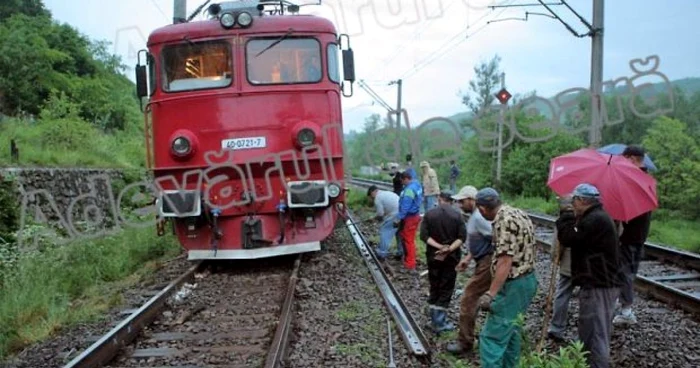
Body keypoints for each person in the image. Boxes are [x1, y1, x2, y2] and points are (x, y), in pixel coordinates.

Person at [555, 183, 623, 368]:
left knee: (596, 334)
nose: (573, 203)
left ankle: (596, 365)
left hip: (599, 284)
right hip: (599, 282)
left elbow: (569, 237)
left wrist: (566, 214)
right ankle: (584, 363)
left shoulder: (595, 219)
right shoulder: (595, 216)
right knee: (589, 330)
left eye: (574, 200)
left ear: (583, 200)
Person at [473, 188, 538, 368]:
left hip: (514, 285)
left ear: (482, 209)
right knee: (511, 332)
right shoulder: (518, 213)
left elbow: (505, 261)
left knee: (491, 338)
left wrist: (490, 294)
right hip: (528, 279)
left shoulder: (504, 221)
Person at [446, 185, 495, 356]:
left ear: (472, 200)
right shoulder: (476, 216)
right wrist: (468, 258)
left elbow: (495, 238)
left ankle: (465, 343)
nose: (460, 205)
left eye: (462, 201)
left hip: (487, 263)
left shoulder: (480, 218)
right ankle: (482, 337)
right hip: (482, 261)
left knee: (468, 298)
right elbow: (481, 241)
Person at [614, 145, 652, 325]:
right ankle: (620, 302)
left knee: (625, 272)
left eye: (624, 158)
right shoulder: (646, 179)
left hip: (631, 235)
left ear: (632, 158)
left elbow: (631, 210)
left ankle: (626, 310)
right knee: (628, 271)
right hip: (639, 235)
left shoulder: (635, 180)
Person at [420, 191, 466, 334]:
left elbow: (424, 236)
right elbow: (461, 237)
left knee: (434, 284)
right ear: (451, 201)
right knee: (446, 287)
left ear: (439, 199)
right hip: (451, 257)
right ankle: (439, 323)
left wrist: (439, 247)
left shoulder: (429, 214)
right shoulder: (457, 215)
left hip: (433, 256)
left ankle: (433, 319)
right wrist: (448, 249)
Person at [547, 194, 576, 342]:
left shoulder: (563, 220)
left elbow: (557, 244)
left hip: (568, 264)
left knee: (562, 293)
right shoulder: (585, 217)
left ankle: (556, 328)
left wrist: (554, 259)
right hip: (587, 265)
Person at [396, 170, 423, 270]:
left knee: (408, 240)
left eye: (402, 181)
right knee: (408, 238)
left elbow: (405, 205)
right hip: (415, 215)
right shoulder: (417, 184)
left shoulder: (409, 190)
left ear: (406, 179)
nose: (402, 183)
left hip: (410, 217)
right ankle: (410, 259)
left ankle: (410, 264)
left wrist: (399, 218)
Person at [367, 185, 401, 261]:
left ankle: (381, 254)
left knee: (385, 231)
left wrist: (373, 219)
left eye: (371, 195)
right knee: (399, 233)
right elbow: (386, 210)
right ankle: (400, 253)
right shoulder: (386, 193)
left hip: (395, 214)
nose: (372, 197)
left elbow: (380, 214)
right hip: (403, 214)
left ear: (373, 192)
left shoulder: (377, 198)